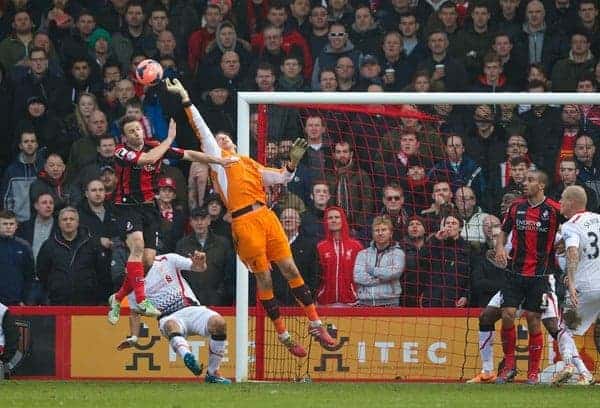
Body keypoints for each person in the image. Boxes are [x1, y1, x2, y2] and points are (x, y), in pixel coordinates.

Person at [166, 78, 335, 357]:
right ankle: (283, 333)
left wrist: (291, 163)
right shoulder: (219, 164)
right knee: (265, 277)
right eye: (217, 141)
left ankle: (316, 324)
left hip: (266, 216)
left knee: (291, 269)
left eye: (225, 139)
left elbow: (282, 178)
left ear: (234, 142)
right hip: (244, 222)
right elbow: (201, 128)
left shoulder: (249, 164)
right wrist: (186, 98)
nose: (221, 142)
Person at [106, 116, 235, 324]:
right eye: (131, 132)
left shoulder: (155, 146)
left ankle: (118, 297)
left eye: (138, 129)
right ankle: (141, 300)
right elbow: (146, 160)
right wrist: (169, 139)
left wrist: (218, 160)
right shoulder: (121, 152)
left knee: (147, 261)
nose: (136, 134)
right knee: (137, 246)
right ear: (125, 137)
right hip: (126, 206)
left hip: (149, 207)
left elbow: (188, 154)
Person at [494, 170, 571, 384]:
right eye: (525, 180)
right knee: (508, 314)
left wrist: (566, 241)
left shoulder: (555, 209)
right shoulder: (516, 207)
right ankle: (509, 366)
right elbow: (503, 230)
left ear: (541, 186)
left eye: (530, 180)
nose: (525, 183)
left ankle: (533, 372)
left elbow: (573, 227)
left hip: (540, 274)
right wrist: (500, 247)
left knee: (533, 318)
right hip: (514, 272)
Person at [116, 251, 231, 384]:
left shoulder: (167, 260)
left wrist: (201, 262)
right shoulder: (133, 284)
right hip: (167, 316)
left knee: (219, 323)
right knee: (171, 325)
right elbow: (135, 312)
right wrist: (134, 337)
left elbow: (198, 267)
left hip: (191, 308)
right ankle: (188, 357)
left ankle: (212, 373)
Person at [552, 185, 597, 385]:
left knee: (563, 328)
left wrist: (570, 282)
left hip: (586, 288)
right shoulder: (598, 219)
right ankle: (585, 374)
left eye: (562, 199)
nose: (559, 202)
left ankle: (569, 365)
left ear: (571, 202)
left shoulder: (571, 225)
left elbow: (571, 253)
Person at [37, 207, 113, 305]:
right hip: (58, 302)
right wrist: (55, 286)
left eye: (71, 219)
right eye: (64, 219)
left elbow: (102, 272)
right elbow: (42, 272)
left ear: (77, 222)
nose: (68, 222)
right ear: (59, 223)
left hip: (88, 302)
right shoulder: (48, 245)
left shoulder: (92, 244)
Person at [175, 207, 235, 306]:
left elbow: (229, 273)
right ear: (190, 222)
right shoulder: (182, 244)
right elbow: (178, 273)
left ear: (208, 221)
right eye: (195, 219)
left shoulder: (223, 243)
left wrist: (221, 293)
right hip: (190, 300)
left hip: (218, 301)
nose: (199, 223)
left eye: (202, 219)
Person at [353, 216, 405, 306]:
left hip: (390, 303)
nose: (380, 233)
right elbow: (358, 277)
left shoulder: (398, 253)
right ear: (373, 234)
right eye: (377, 230)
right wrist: (380, 280)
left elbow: (394, 273)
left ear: (391, 233)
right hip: (365, 303)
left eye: (384, 230)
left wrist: (371, 270)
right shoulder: (363, 254)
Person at [316, 206, 363, 305]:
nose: (333, 220)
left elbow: (361, 273)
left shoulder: (356, 246)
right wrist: (320, 292)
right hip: (325, 302)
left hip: (351, 301)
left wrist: (356, 292)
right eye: (330, 218)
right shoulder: (320, 247)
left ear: (343, 220)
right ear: (326, 222)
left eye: (337, 217)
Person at [0, 210, 34, 306]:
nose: (8, 226)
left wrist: (25, 299)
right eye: (4, 224)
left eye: (11, 224)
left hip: (17, 302)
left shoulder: (24, 246)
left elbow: (29, 276)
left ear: (16, 226)